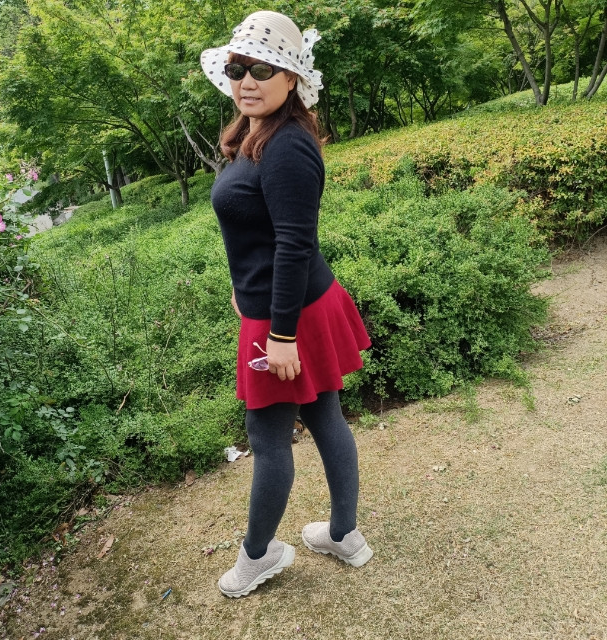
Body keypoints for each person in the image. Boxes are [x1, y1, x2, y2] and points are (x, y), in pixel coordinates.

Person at [200, 10, 373, 599]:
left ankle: (258, 556)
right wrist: (241, 286)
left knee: (269, 436)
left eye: (262, 69)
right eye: (237, 69)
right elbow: (260, 232)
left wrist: (280, 335)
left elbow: (295, 243)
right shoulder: (256, 134)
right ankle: (344, 536)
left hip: (289, 316)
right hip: (282, 305)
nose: (246, 81)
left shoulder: (288, 145)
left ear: (291, 77)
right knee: (324, 414)